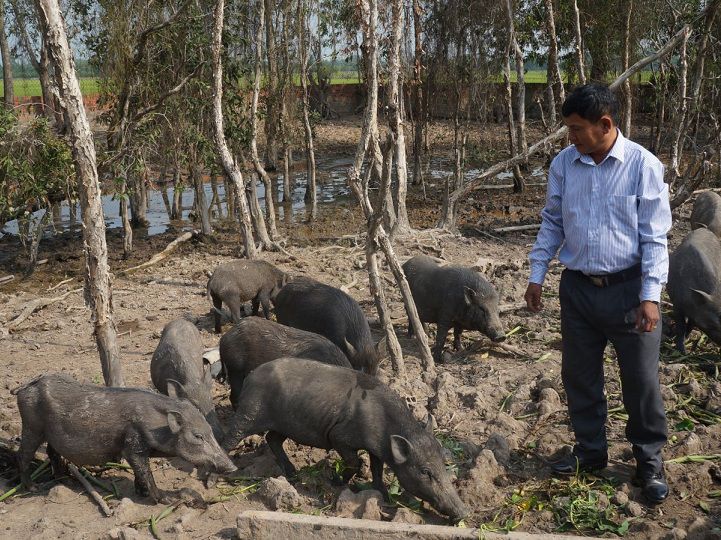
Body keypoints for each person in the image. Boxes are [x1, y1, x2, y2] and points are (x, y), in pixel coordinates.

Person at [524, 83, 671, 504]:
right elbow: (552, 221)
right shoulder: (564, 165)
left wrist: (650, 296)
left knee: (641, 382)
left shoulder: (643, 166)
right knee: (579, 376)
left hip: (629, 291)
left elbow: (655, 237)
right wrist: (538, 273)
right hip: (578, 291)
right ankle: (590, 453)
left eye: (575, 129)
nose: (570, 137)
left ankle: (648, 462)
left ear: (604, 124)